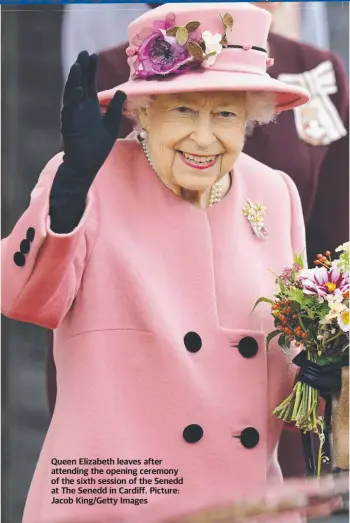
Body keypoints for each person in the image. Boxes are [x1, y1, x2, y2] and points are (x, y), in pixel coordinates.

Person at [1, 3, 346, 523]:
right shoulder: (88, 180)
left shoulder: (276, 195)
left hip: (246, 509)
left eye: (226, 114)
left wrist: (324, 378)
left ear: (252, 117)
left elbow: (283, 368)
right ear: (142, 110)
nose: (204, 139)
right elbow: (21, 298)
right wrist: (67, 197)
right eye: (183, 110)